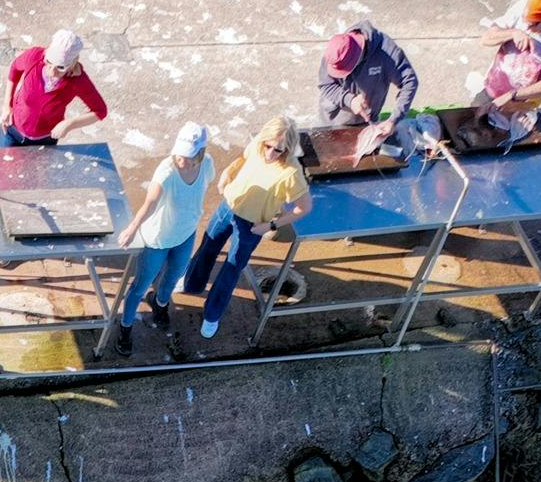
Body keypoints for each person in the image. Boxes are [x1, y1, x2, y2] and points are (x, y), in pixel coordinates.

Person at [181, 116, 312, 340]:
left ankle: (212, 314)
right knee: (207, 247)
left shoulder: (291, 173)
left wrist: (270, 225)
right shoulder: (257, 145)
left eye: (278, 150)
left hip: (251, 226)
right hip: (228, 207)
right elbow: (242, 159)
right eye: (268, 146)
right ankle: (191, 284)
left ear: (287, 149)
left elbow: (304, 207)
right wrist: (227, 174)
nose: (271, 153)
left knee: (231, 268)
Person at [110, 122, 215, 356]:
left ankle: (160, 303)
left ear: (200, 153)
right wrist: (133, 227)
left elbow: (203, 188)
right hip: (157, 239)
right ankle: (125, 328)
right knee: (140, 285)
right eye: (180, 155)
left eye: (188, 156)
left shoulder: (207, 165)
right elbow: (150, 203)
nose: (182, 161)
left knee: (174, 275)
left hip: (185, 234)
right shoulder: (166, 171)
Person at [316, 21, 420, 157]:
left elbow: (409, 81)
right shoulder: (335, 50)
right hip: (332, 118)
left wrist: (393, 119)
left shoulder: (387, 53)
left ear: (358, 56)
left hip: (366, 121)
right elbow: (326, 84)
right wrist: (350, 100)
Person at [0, 29, 108, 148]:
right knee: (2, 165)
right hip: (12, 129)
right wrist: (6, 105)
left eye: (60, 67)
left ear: (72, 64)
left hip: (44, 140)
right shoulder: (33, 57)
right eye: (48, 62)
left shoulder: (78, 81)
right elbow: (15, 68)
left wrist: (68, 124)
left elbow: (100, 111)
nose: (52, 71)